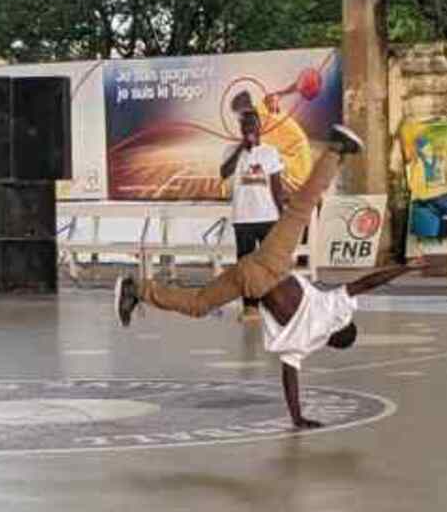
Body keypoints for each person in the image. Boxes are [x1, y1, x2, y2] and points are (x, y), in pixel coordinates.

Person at [115, 125, 420, 428]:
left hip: (274, 262)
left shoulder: (333, 310)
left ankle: (337, 149)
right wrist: (297, 417)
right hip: (253, 281)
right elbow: (289, 379)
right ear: (332, 343)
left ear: (344, 326)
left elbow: (367, 282)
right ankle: (137, 289)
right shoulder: (304, 344)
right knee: (197, 304)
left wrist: (406, 267)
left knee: (301, 207)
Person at [221, 110, 286, 322]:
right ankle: (250, 307)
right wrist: (242, 148)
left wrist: (282, 214)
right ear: (241, 129)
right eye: (245, 125)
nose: (249, 128)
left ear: (260, 127)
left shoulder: (270, 152)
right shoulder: (232, 151)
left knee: (269, 265)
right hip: (243, 219)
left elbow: (277, 186)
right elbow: (224, 172)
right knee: (247, 266)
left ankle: (276, 305)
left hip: (268, 216)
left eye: (252, 124)